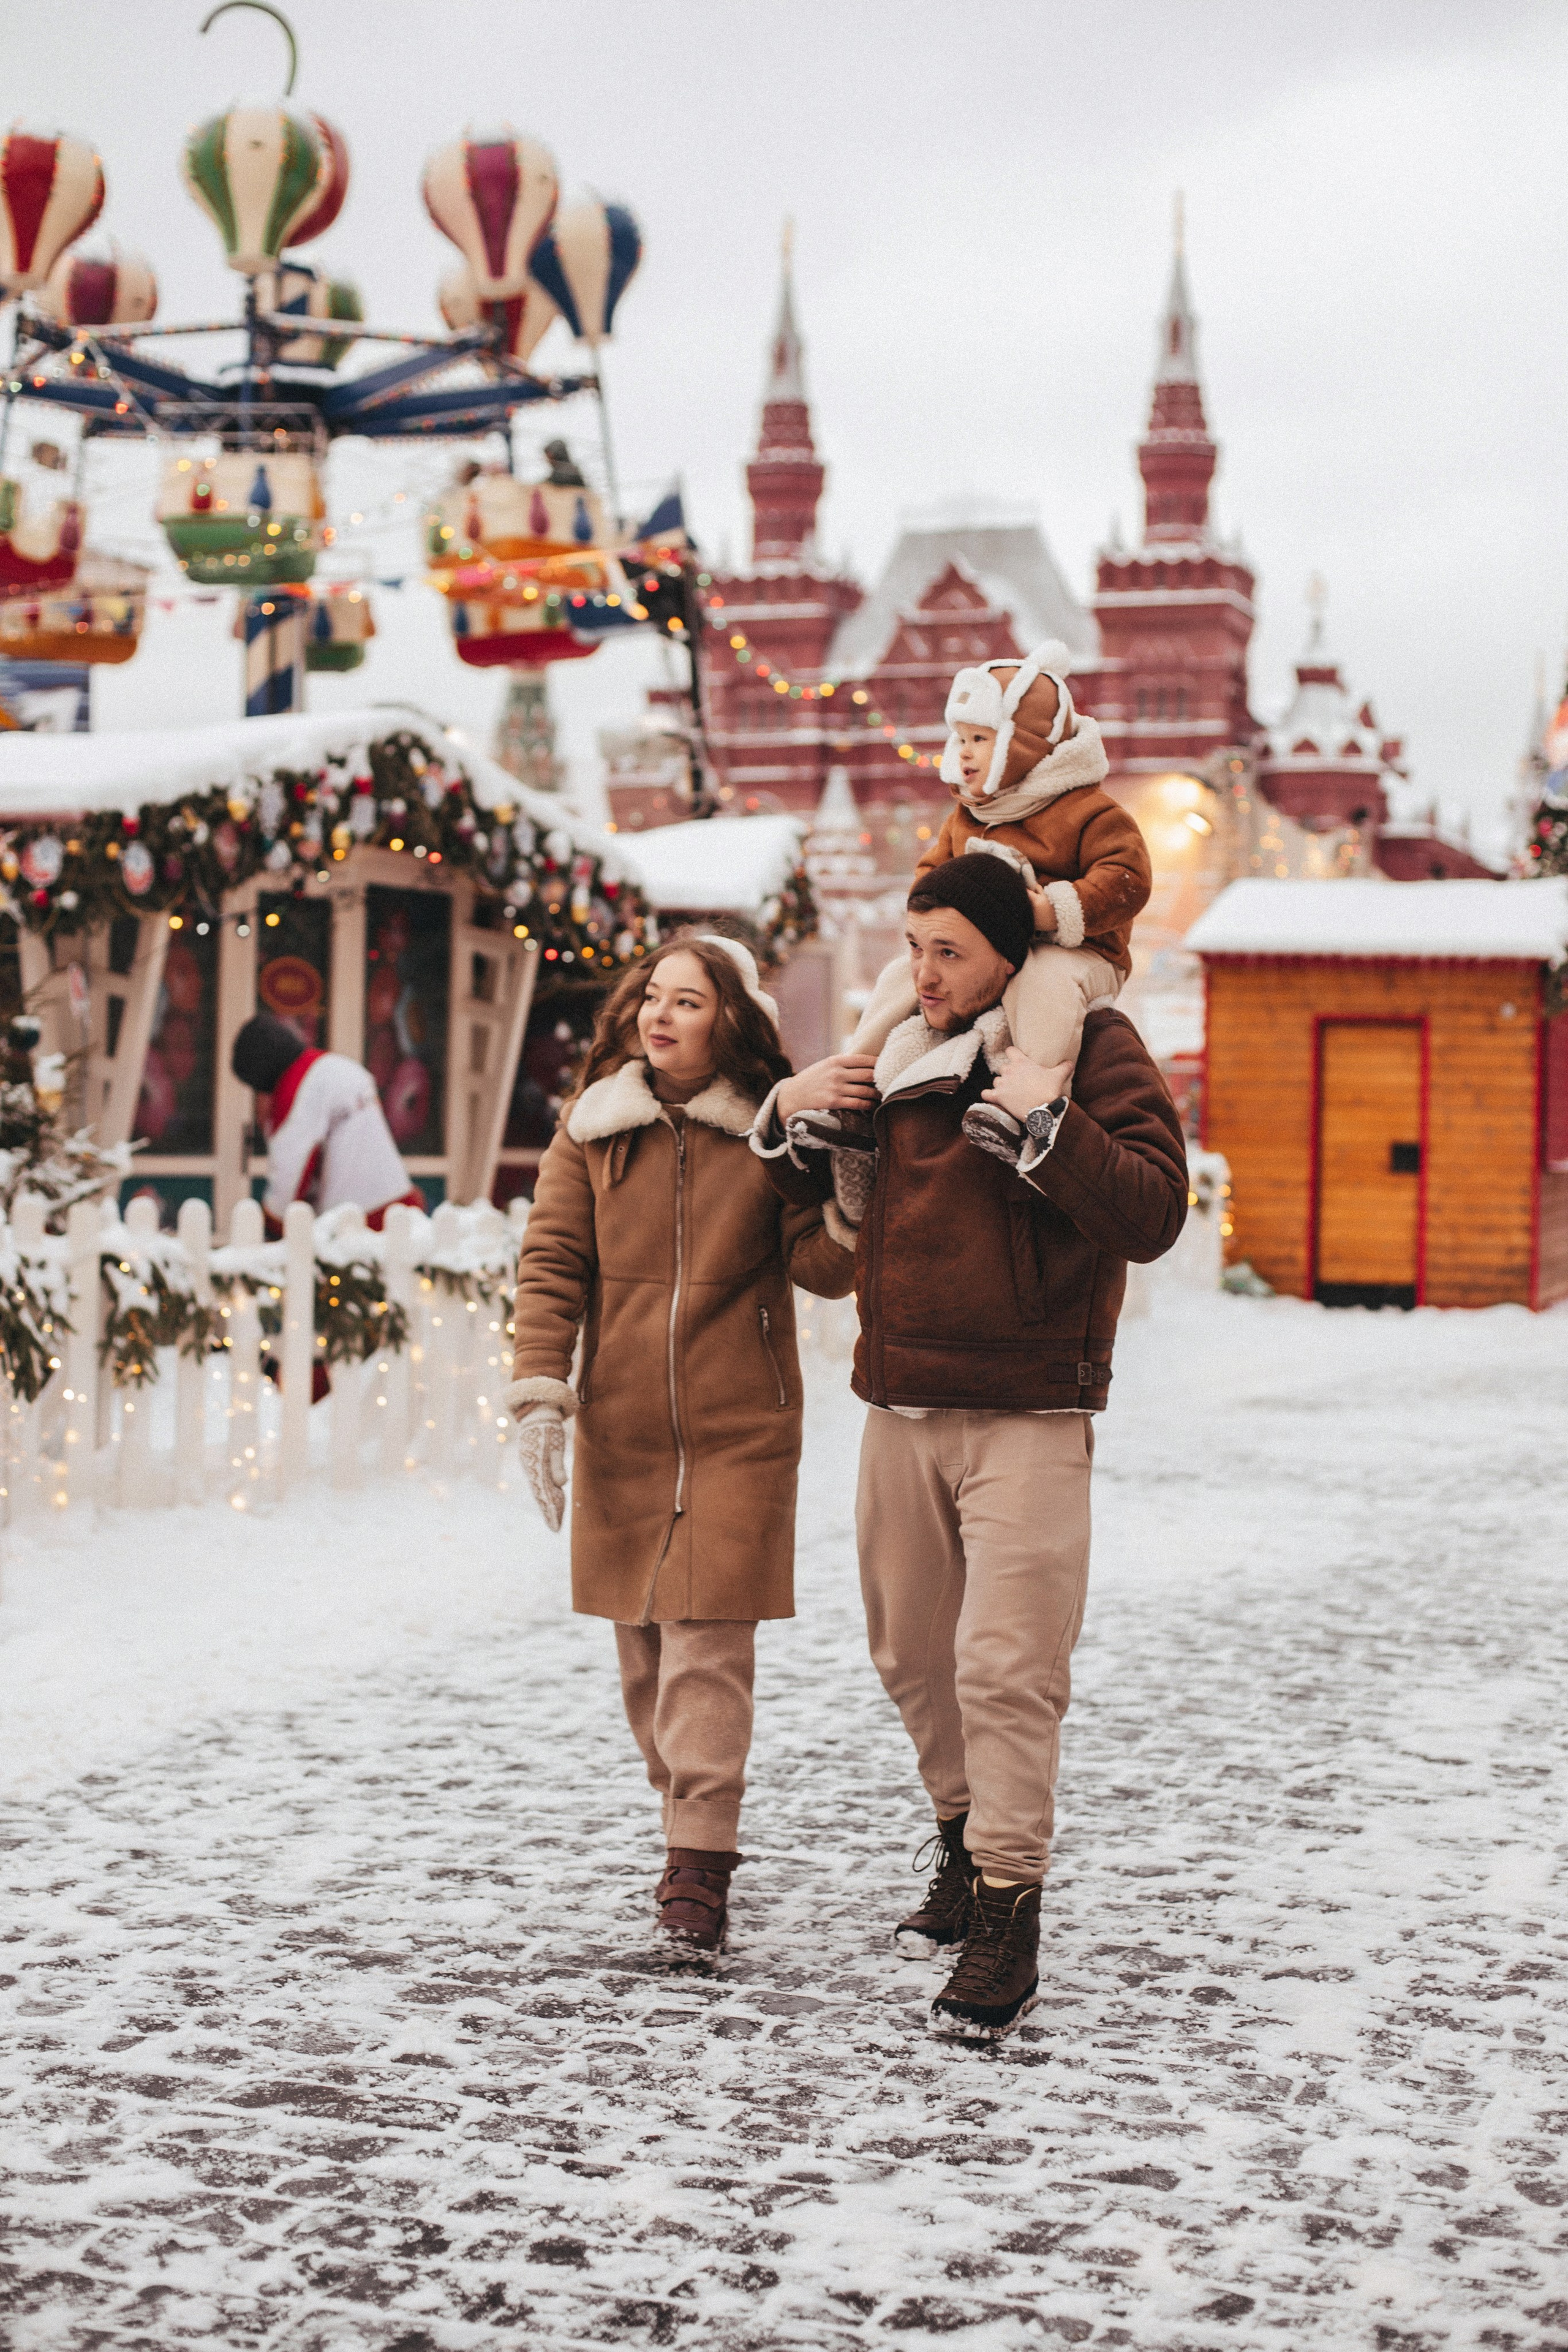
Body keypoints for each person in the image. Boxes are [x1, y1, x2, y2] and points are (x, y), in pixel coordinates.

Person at [754, 854, 1187, 2040]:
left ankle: (1007, 1905)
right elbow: (840, 1226)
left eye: (948, 949)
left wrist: (1046, 1125)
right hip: (899, 1398)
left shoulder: (1088, 1044)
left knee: (1005, 1664)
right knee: (907, 1650)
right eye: (913, 946)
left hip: (1028, 1404)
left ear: (1007, 950)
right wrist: (793, 1123)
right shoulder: (891, 1052)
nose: (923, 971)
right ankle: (957, 1837)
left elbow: (1154, 1207)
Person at [507, 935, 856, 1954]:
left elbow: (822, 1270)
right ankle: (685, 1830)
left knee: (709, 1646)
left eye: (688, 1003)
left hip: (741, 1427)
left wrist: (850, 1200)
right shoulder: (594, 1130)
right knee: (646, 1659)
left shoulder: (772, 1132)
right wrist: (541, 1391)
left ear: (730, 1021)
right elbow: (553, 1261)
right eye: (653, 998)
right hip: (622, 1424)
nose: (660, 1017)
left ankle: (699, 1865)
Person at [788, 640, 1152, 1178]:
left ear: (1023, 744)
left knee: (1045, 985)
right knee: (897, 980)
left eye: (980, 738)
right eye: (959, 737)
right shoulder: (969, 815)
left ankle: (1022, 1106)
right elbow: (929, 878)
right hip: (982, 957)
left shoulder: (1088, 811)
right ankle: (853, 1100)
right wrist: (935, 915)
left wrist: (1051, 911)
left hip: (1078, 953)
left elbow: (1127, 880)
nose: (963, 751)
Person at [230, 1013, 424, 1234]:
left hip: (356, 1227)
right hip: (402, 1203)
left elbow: (288, 1183)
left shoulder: (295, 1090)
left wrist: (270, 1220)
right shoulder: (338, 1066)